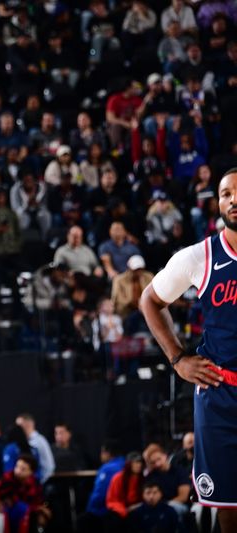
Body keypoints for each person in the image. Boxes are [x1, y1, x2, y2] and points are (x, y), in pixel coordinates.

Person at [139, 170, 237, 532]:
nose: (233, 200)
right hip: (220, 392)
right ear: (218, 203)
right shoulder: (199, 256)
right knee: (229, 507)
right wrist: (178, 358)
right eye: (226, 194)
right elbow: (149, 299)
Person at [106, 451, 145, 526]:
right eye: (135, 462)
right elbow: (112, 500)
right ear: (129, 464)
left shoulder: (144, 479)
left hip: (138, 508)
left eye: (140, 463)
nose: (139, 465)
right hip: (121, 509)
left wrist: (137, 506)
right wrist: (124, 511)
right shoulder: (118, 478)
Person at [16, 413, 55, 482]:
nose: (17, 429)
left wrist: (39, 483)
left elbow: (49, 466)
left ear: (29, 424)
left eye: (19, 426)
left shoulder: (40, 441)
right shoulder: (21, 441)